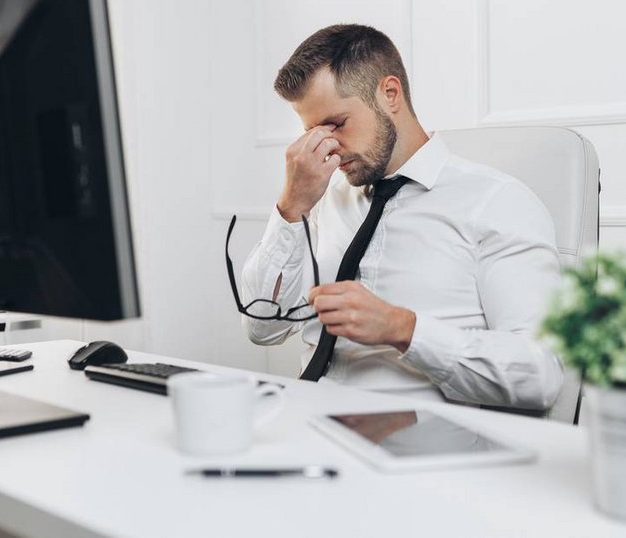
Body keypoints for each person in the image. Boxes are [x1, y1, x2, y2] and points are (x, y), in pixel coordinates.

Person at [239, 24, 564, 410]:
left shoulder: (497, 203)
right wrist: (291, 207)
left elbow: (539, 375)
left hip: (418, 449)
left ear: (389, 94)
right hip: (306, 422)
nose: (327, 147)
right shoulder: (322, 196)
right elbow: (262, 328)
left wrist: (403, 329)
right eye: (312, 131)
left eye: (337, 124)